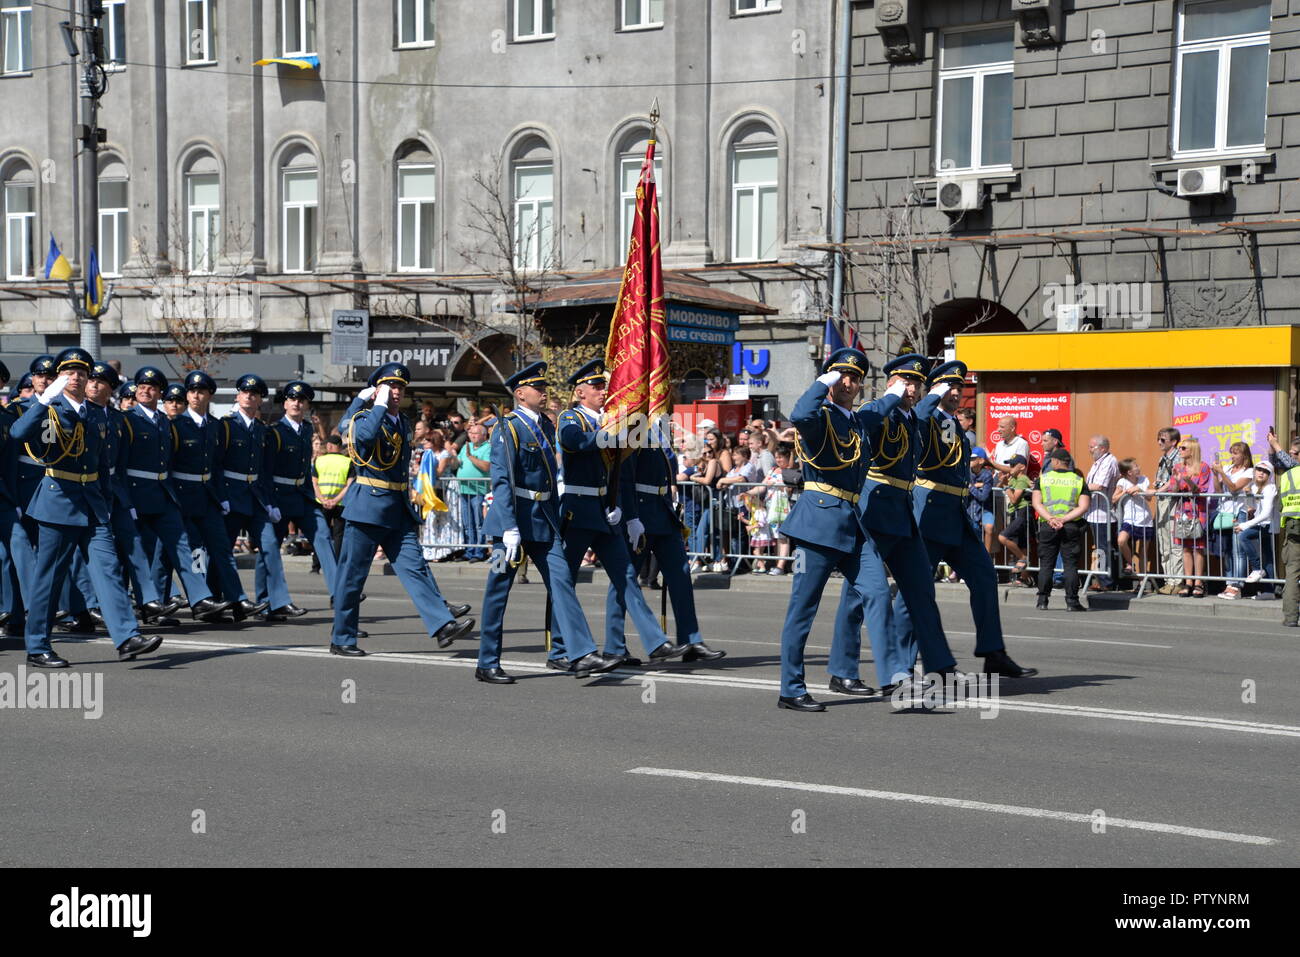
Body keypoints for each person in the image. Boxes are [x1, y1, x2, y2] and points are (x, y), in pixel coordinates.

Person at [10, 348, 163, 667]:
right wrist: (42, 401)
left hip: (94, 504)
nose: (77, 377)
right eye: (70, 371)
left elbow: (102, 462)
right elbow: (17, 434)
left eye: (83, 372)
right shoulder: (50, 408)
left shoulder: (96, 413)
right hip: (58, 502)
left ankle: (127, 637)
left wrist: (107, 501)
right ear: (59, 377)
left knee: (108, 571)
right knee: (49, 579)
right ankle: (37, 645)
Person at [886, 361, 1035, 679]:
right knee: (916, 589)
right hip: (929, 512)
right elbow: (917, 422)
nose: (955, 393)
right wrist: (930, 397)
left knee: (984, 576)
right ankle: (900, 664)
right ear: (935, 389)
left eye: (958, 388)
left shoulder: (953, 425)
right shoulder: (922, 417)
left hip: (955, 512)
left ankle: (993, 652)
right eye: (948, 387)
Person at [475, 361, 620, 682]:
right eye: (537, 388)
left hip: (543, 521)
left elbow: (550, 479)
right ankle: (487, 662)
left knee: (562, 584)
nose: (543, 393)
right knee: (498, 590)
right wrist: (509, 526)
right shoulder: (507, 427)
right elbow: (502, 479)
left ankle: (581, 653)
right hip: (512, 523)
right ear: (520, 393)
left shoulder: (545, 425)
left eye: (544, 388)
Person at [832, 355, 962, 695]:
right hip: (875, 511)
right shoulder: (879, 410)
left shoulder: (910, 417)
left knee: (921, 590)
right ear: (891, 382)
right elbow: (868, 420)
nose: (913, 388)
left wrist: (933, 394)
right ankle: (843, 669)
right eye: (907, 381)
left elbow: (922, 416)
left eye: (917, 383)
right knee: (857, 597)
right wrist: (895, 395)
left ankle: (935, 667)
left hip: (903, 513)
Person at [328, 364, 474, 656]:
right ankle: (342, 638)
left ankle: (443, 625)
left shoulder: (403, 423)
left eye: (400, 388)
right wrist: (368, 402)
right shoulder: (366, 417)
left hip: (397, 507)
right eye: (389, 387)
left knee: (415, 568)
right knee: (352, 577)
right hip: (367, 507)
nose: (396, 392)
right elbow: (362, 437)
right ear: (378, 391)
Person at [550, 359, 686, 668]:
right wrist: (610, 438)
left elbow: (619, 473)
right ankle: (559, 650)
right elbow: (574, 441)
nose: (603, 392)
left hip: (605, 512)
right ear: (579, 392)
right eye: (596, 387)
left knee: (626, 576)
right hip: (577, 509)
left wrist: (627, 512)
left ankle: (656, 642)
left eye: (605, 386)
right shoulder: (571, 417)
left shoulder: (610, 421)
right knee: (565, 581)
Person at [775, 348, 875, 711]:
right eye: (841, 375)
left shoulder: (856, 422)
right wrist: (823, 380)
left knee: (869, 593)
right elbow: (800, 413)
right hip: (818, 523)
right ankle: (791, 688)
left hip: (851, 521)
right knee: (803, 609)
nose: (848, 383)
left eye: (854, 377)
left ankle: (845, 672)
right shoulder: (822, 417)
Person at [604, 418, 726, 663]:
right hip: (639, 514)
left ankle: (690, 640)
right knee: (624, 579)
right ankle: (614, 646)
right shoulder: (633, 429)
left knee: (680, 575)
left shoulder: (659, 433)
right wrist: (631, 517)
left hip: (663, 512)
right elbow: (624, 478)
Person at [121, 366, 231, 623]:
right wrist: (125, 500)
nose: (146, 390)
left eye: (152, 387)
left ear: (160, 392)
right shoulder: (126, 420)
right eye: (142, 386)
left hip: (163, 494)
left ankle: (200, 597)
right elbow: (121, 462)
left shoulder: (164, 422)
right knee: (140, 552)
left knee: (182, 544)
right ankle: (143, 605)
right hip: (136, 495)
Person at [172, 370, 267, 620]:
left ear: (209, 395)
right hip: (183, 496)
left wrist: (222, 496)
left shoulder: (217, 426)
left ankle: (237, 599)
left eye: (201, 391)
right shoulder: (176, 425)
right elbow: (168, 465)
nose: (195, 395)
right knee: (195, 552)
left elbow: (217, 465)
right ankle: (201, 599)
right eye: (191, 391)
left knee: (222, 549)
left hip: (209, 496)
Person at [258, 381, 340, 619]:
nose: (296, 403)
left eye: (301, 400)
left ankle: (338, 592)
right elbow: (265, 470)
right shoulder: (274, 432)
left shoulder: (306, 429)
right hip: (278, 496)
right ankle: (265, 602)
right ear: (285, 403)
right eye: (292, 399)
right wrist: (269, 502)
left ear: (306, 405)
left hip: (302, 495)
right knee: (270, 549)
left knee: (323, 536)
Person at [221, 374, 281, 607]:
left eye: (254, 394)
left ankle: (276, 601)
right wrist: (221, 497)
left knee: (270, 545)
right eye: (245, 392)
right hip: (231, 493)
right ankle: (223, 600)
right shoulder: (227, 425)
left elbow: (264, 471)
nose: (249, 396)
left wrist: (270, 501)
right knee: (224, 551)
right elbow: (216, 464)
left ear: (260, 401)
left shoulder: (261, 429)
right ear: (238, 396)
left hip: (255, 496)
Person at [1031, 448, 1091, 611]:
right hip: (1070, 525)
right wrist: (1064, 519)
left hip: (1048, 525)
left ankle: (1042, 601)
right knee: (1070, 565)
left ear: (1056, 462)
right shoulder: (1078, 480)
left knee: (1046, 565)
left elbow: (1037, 503)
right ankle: (1072, 602)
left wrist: (1051, 519)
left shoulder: (1043, 479)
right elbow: (1084, 506)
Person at [1162, 436, 1212, 598]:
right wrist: (1177, 481)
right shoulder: (1177, 467)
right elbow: (1174, 490)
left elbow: (1199, 490)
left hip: (1198, 510)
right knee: (1185, 547)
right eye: (1180, 448)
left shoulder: (1203, 467)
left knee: (1198, 547)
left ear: (1192, 451)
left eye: (1183, 448)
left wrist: (1187, 481)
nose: (1180, 451)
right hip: (1182, 510)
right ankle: (1188, 581)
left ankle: (1198, 582)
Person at [1210, 441, 1254, 599]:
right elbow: (1218, 490)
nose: (1233, 456)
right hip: (1225, 513)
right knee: (1227, 550)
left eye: (1236, 453)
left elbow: (1235, 488)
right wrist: (1216, 474)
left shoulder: (1249, 471)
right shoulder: (1228, 469)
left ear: (1244, 455)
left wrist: (1221, 472)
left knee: (1238, 551)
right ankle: (1229, 584)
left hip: (1239, 514)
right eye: (1232, 453)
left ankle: (1237, 586)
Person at [1236, 459, 1278, 600]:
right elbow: (1252, 508)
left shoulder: (1270, 488)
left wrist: (1244, 525)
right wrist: (1249, 496)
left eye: (1266, 471)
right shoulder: (1253, 486)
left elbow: (1266, 513)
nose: (1261, 473)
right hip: (1261, 523)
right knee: (1268, 557)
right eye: (1259, 469)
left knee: (1243, 536)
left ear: (1270, 475)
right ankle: (1269, 591)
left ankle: (1257, 568)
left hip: (1267, 525)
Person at [1084, 435, 1120, 591]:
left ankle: (1107, 581)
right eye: (1089, 447)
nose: (1090, 450)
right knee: (1098, 548)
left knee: (1104, 548)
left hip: (1103, 514)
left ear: (1103, 448)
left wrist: (1079, 486)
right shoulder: (1097, 462)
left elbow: (1099, 485)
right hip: (1093, 513)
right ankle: (1100, 578)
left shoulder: (1109, 461)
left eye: (1092, 447)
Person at [1113, 457, 1155, 583]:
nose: (1139, 467)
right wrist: (1126, 492)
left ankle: (1142, 582)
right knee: (1121, 540)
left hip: (1145, 519)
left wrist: (1140, 490)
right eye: (1135, 466)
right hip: (1129, 519)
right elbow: (1114, 498)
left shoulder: (1143, 479)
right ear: (1129, 472)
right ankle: (1131, 563)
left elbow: (1149, 498)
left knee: (1143, 552)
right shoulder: (1122, 482)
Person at [1153, 428, 1183, 594]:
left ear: (1173, 442)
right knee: (1164, 543)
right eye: (1158, 439)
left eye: (1162, 440)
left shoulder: (1177, 457)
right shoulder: (1162, 458)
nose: (1159, 442)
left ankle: (1177, 581)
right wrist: (1157, 486)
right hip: (1162, 502)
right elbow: (1161, 480)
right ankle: (1168, 580)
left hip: (1173, 503)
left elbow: (1173, 483)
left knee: (1174, 544)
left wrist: (1158, 490)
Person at [313, 434, 353, 559]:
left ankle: (316, 564)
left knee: (320, 533)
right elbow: (349, 485)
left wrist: (322, 499)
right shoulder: (348, 462)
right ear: (340, 447)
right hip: (340, 503)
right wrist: (335, 500)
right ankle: (336, 563)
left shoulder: (319, 460)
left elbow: (314, 482)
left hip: (321, 503)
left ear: (329, 446)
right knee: (339, 535)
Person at [456, 421, 491, 561]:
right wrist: (450, 458)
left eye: (475, 433)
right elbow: (457, 462)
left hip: (478, 490)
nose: (472, 436)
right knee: (467, 523)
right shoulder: (466, 446)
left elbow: (486, 467)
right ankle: (469, 551)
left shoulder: (487, 447)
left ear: (484, 435)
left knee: (478, 523)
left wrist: (471, 457)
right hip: (464, 489)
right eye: (470, 433)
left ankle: (479, 552)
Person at [998, 454, 1033, 585]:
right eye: (1010, 465)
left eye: (1013, 465)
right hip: (1015, 513)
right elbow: (1000, 486)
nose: (1010, 467)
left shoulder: (1023, 479)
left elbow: (1014, 499)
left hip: (1022, 513)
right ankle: (1023, 577)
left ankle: (1023, 558)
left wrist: (1006, 487)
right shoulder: (1013, 478)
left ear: (1022, 467)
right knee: (1022, 544)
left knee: (1003, 537)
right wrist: (1003, 482)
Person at [968, 446, 997, 557]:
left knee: (989, 528)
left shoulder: (987, 475)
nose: (970, 460)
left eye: (973, 459)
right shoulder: (967, 472)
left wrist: (971, 487)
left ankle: (986, 557)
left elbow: (984, 497)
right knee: (972, 535)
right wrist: (975, 486)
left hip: (985, 509)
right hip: (970, 508)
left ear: (981, 460)